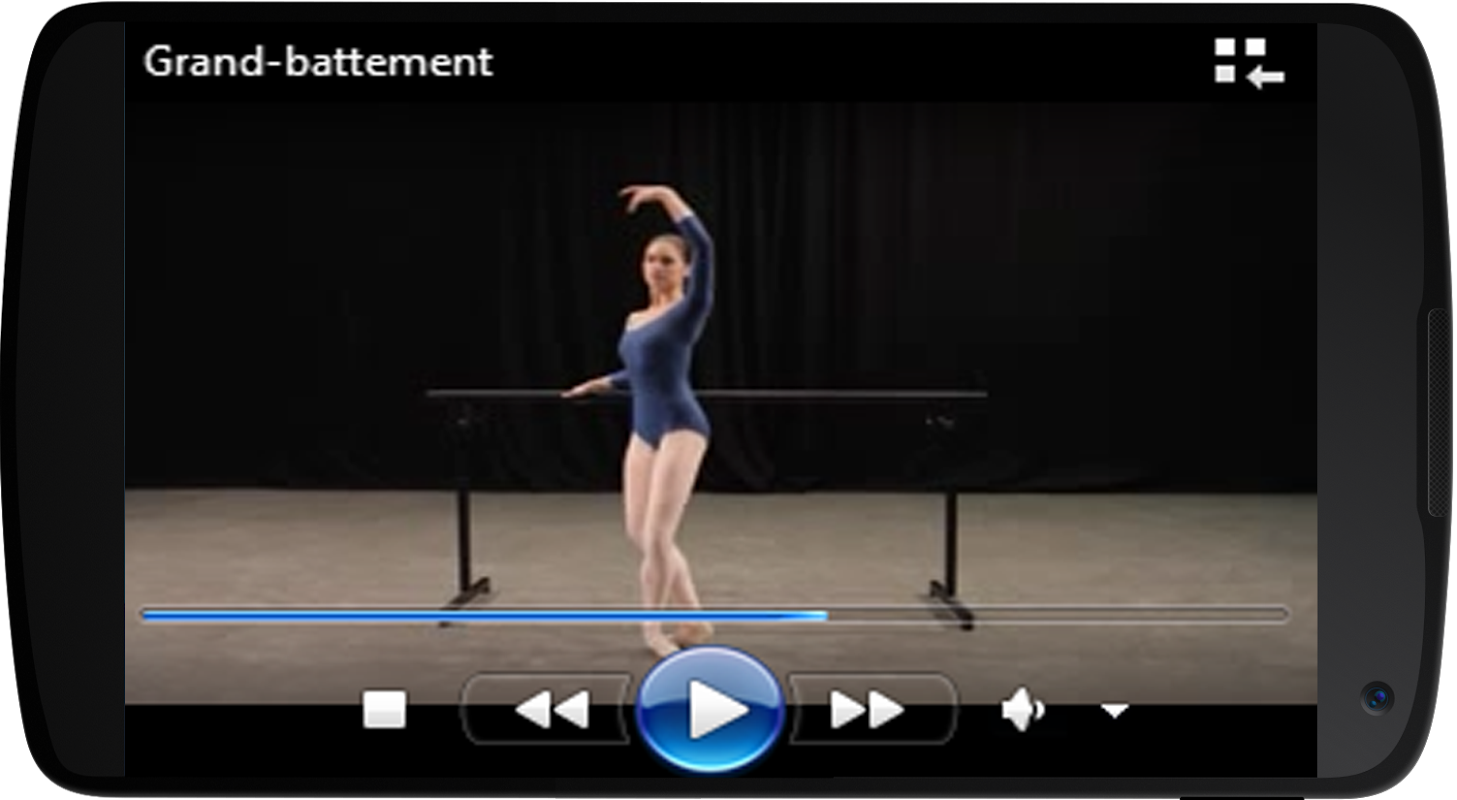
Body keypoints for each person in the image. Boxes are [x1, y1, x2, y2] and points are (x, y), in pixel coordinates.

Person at [563, 185, 715, 658]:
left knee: (658, 535)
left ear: (685, 269)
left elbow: (705, 245)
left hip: (681, 426)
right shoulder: (635, 318)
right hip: (644, 428)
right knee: (639, 532)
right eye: (650, 259)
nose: (657, 267)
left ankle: (653, 630)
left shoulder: (688, 310)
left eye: (667, 260)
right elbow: (640, 370)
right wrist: (601, 383)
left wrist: (666, 196)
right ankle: (696, 621)